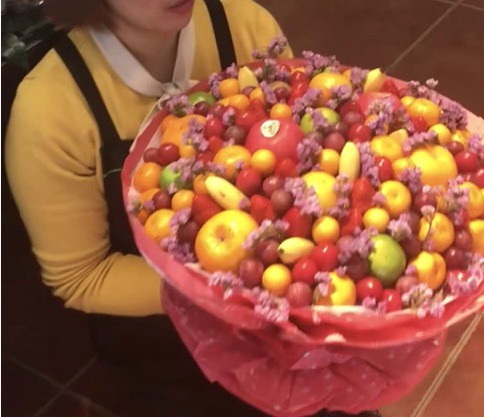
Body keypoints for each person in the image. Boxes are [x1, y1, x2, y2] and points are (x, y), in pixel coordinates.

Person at [5, 1, 380, 416]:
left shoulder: (244, 25)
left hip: (290, 332)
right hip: (170, 359)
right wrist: (220, 295)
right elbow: (82, 277)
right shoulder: (50, 111)